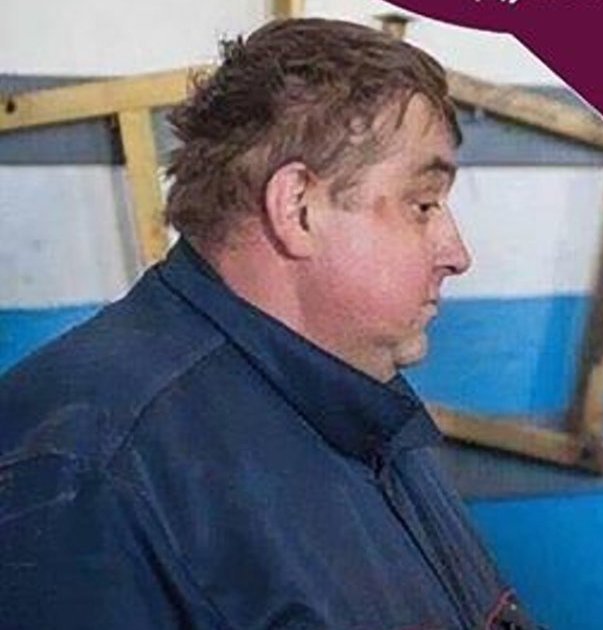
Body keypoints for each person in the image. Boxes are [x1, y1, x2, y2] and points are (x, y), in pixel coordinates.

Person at [0, 18, 537, 629]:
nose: (456, 253)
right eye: (423, 205)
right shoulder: (88, 475)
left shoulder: (362, 404)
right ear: (298, 207)